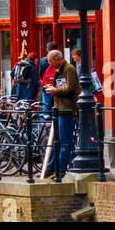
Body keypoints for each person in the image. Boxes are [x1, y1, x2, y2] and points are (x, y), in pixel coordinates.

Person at [41, 51, 78, 179]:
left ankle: (61, 169)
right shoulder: (60, 70)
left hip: (66, 110)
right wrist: (52, 87)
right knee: (57, 141)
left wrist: (55, 90)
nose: (51, 66)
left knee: (64, 141)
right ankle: (51, 167)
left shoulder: (69, 69)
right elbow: (63, 86)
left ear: (59, 59)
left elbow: (70, 89)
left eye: (51, 62)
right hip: (59, 109)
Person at [38, 42, 61, 116]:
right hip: (57, 84)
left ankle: (46, 115)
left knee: (46, 102)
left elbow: (40, 73)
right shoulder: (59, 60)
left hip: (47, 84)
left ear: (47, 49)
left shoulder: (42, 60)